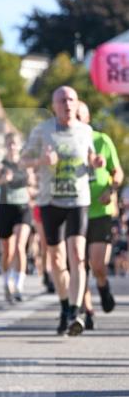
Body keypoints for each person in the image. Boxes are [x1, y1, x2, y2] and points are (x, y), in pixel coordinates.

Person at [22, 86, 102, 336]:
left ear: (77, 104)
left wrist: (95, 162)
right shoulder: (42, 131)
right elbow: (23, 160)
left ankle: (75, 312)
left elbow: (90, 158)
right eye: (62, 100)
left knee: (78, 256)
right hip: (50, 201)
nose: (67, 104)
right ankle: (65, 305)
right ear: (54, 105)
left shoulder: (86, 130)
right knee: (56, 260)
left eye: (71, 100)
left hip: (78, 200)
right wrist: (41, 162)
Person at [77, 101, 124, 323]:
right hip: (75, 210)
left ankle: (103, 287)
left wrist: (111, 189)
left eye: (79, 115)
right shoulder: (65, 145)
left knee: (97, 265)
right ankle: (87, 311)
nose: (75, 119)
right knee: (79, 264)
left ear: (87, 119)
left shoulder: (101, 141)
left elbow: (118, 173)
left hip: (101, 210)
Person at [0, 132, 33, 303]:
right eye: (9, 143)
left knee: (19, 246)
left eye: (14, 143)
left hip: (23, 209)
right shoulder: (0, 165)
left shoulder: (25, 164)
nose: (12, 146)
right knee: (7, 250)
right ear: (5, 145)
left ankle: (18, 286)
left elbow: (32, 183)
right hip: (5, 209)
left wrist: (31, 183)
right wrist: (3, 179)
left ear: (19, 145)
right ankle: (6, 283)